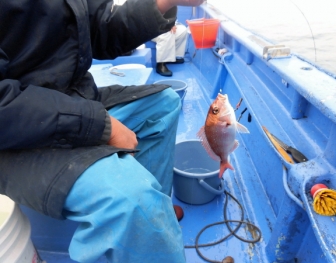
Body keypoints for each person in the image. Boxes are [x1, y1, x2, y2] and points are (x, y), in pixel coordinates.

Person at [0, 0, 204, 262]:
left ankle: (154, 216)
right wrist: (99, 126)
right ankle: (143, 217)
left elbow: (102, 31)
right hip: (16, 137)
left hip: (73, 102)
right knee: (132, 203)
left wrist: (164, 2)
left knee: (164, 104)